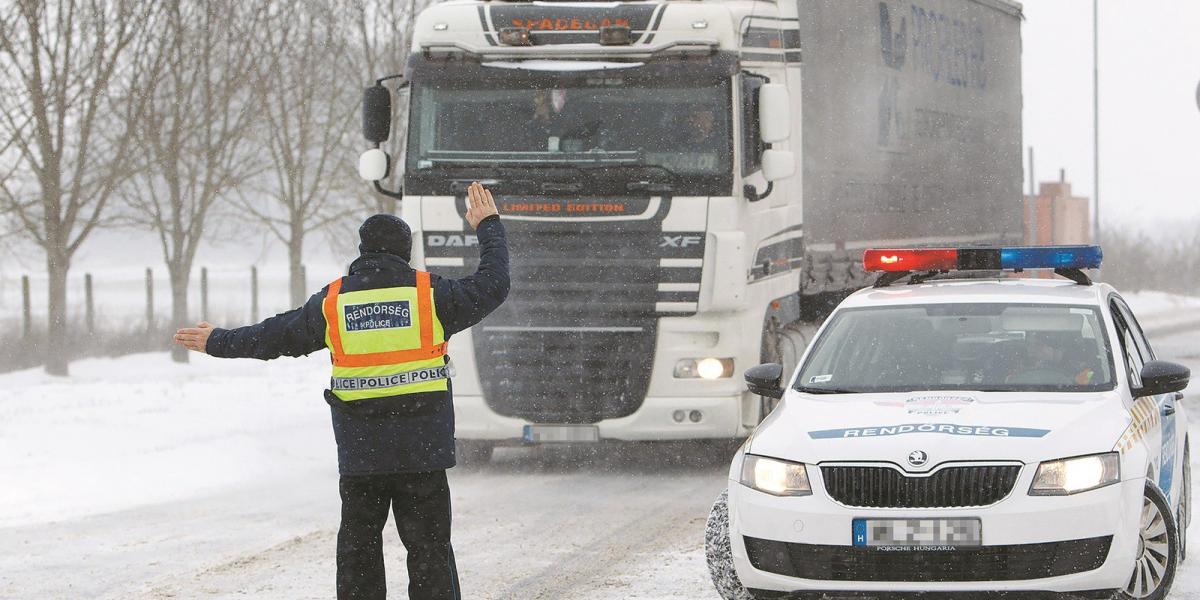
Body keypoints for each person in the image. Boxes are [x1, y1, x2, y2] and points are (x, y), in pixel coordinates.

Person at [173, 182, 509, 600]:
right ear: (405, 252)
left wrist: (219, 340)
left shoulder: (333, 303)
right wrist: (488, 226)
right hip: (422, 452)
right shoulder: (431, 296)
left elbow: (275, 336)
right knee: (429, 550)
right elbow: (494, 284)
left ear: (363, 250)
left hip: (362, 453)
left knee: (359, 551)